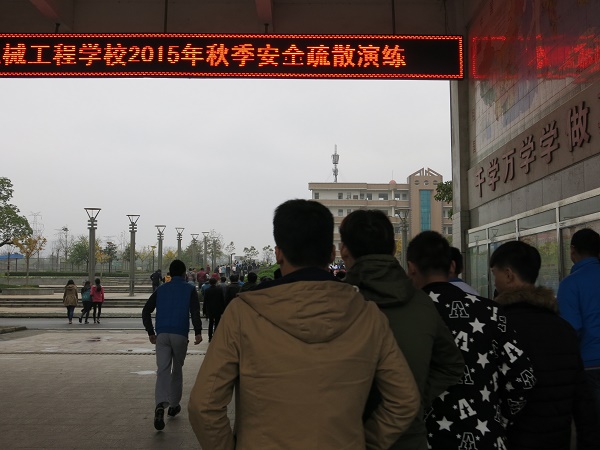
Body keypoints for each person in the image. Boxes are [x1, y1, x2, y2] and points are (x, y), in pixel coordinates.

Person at [188, 199, 420, 450]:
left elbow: (204, 406)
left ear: (278, 253)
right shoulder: (368, 314)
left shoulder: (243, 314)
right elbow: (404, 400)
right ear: (332, 253)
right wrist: (365, 442)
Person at [339, 210, 465, 450]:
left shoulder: (334, 304)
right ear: (393, 249)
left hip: (344, 436)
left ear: (344, 250)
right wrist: (416, 397)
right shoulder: (422, 303)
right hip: (409, 437)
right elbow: (452, 365)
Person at [405, 230, 535, 450]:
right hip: (486, 439)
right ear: (452, 266)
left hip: (426, 440)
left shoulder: (406, 314)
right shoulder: (490, 311)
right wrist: (499, 419)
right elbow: (523, 378)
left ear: (411, 267)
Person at [490, 240, 600, 449]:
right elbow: (582, 399)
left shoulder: (497, 327)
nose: (494, 282)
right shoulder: (563, 328)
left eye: (494, 274)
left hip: (512, 439)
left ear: (508, 274)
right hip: (557, 439)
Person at [142, 259, 203, 431]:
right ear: (184, 273)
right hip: (179, 334)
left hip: (162, 334)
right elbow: (195, 311)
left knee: (162, 370)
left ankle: (160, 405)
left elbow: (146, 310)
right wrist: (198, 332)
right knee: (177, 369)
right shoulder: (190, 289)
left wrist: (151, 332)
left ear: (170, 273)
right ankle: (174, 405)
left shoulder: (161, 289)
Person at [557, 228, 600, 426]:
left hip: (590, 366)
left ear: (572, 250)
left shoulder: (571, 284)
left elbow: (570, 330)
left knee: (592, 427)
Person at [202, 277, 225, 342]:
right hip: (218, 308)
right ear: (216, 282)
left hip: (210, 309)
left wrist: (204, 310)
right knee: (217, 323)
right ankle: (216, 336)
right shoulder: (219, 290)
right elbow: (222, 300)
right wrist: (223, 309)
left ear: (209, 283)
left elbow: (205, 301)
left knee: (211, 323)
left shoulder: (207, 290)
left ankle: (210, 337)